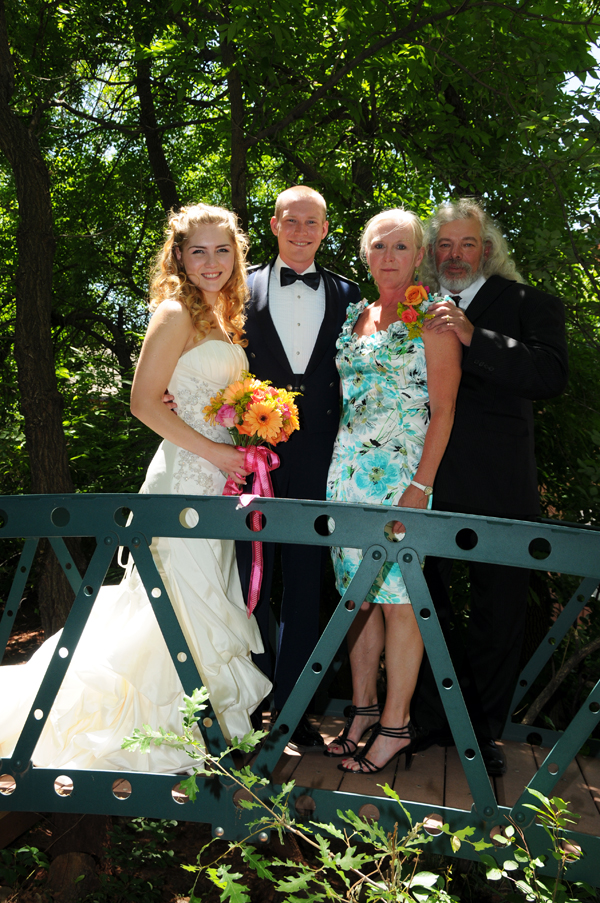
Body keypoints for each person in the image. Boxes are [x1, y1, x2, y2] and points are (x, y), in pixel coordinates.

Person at [0, 203, 271, 771]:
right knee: (172, 597)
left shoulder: (222, 317)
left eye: (222, 249)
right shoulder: (174, 313)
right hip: (183, 478)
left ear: (237, 255)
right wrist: (220, 452)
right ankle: (158, 730)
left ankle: (194, 729)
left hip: (215, 483)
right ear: (179, 256)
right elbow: (144, 403)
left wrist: (244, 431)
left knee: (192, 599)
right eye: (198, 250)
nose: (212, 260)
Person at [414, 198, 569, 775]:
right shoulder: (416, 305)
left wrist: (476, 336)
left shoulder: (528, 303)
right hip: (423, 479)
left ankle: (481, 731)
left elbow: (551, 375)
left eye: (467, 244)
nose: (456, 255)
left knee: (498, 614)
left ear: (487, 250)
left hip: (500, 484)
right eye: (445, 246)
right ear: (433, 254)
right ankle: (433, 721)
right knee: (421, 605)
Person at [324, 209, 462, 774]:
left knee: (402, 601)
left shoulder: (433, 319)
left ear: (418, 256)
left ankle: (396, 726)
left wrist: (421, 485)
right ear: (365, 253)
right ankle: (361, 710)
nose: (388, 257)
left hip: (402, 478)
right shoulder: (355, 315)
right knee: (357, 597)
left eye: (401, 247)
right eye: (379, 245)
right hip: (344, 476)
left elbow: (445, 410)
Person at [238, 185, 361, 749]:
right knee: (249, 577)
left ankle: (294, 709)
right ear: (274, 224)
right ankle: (252, 697)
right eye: (293, 221)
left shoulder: (350, 293)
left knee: (306, 584)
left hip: (320, 456)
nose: (302, 231)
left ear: (326, 228)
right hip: (251, 456)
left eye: (313, 223)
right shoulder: (240, 285)